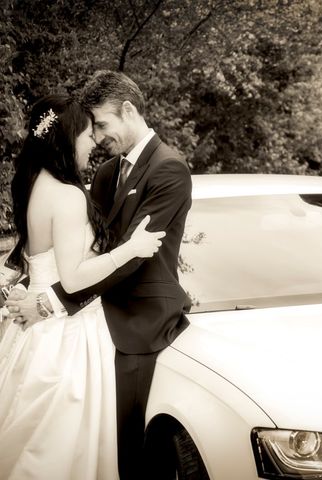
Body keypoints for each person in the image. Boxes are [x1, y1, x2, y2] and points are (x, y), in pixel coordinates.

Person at [6, 70, 193, 479]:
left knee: (127, 446)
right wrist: (33, 286)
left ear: (128, 110)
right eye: (90, 130)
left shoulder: (169, 169)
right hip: (91, 319)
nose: (97, 137)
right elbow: (78, 249)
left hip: (139, 322)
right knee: (89, 440)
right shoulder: (106, 174)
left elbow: (134, 257)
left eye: (103, 125)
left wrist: (47, 300)